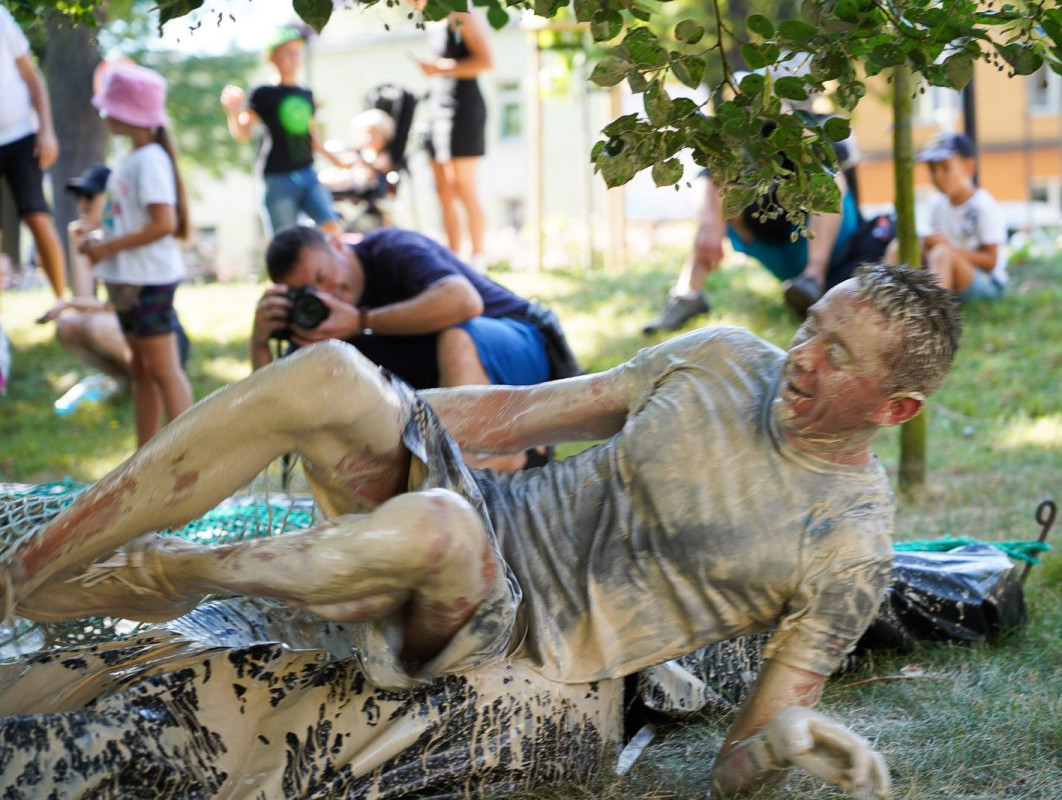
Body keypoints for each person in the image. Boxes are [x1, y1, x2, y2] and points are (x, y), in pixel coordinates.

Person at [0, 263, 960, 798]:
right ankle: (24, 571)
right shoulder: (719, 356)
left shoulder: (849, 547)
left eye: (838, 356)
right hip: (475, 518)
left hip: (529, 637)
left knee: (439, 529)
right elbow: (519, 415)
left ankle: (189, 570)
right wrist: (367, 415)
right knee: (329, 372)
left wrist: (787, 736)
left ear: (896, 408)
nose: (802, 359)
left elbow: (730, 770)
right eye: (811, 328)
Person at [251, 225, 562, 469]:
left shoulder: (391, 248)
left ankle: (478, 465)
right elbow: (283, 410)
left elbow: (464, 301)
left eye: (323, 276)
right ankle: (500, 463)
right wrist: (261, 342)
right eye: (308, 292)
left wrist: (361, 320)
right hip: (443, 403)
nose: (325, 295)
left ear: (337, 244)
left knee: (456, 339)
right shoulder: (314, 319)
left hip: (523, 347)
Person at [77, 63, 194, 446]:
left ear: (130, 113)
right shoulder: (131, 160)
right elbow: (128, 221)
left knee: (163, 369)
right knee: (140, 368)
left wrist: (107, 248)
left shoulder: (151, 160)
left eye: (111, 106)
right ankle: (145, 460)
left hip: (149, 280)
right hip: (125, 279)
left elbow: (164, 223)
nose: (105, 113)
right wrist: (98, 240)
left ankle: (188, 460)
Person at [643, 148, 862, 335]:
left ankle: (814, 278)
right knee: (718, 191)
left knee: (826, 175)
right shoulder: (746, 132)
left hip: (837, 248)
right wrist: (710, 223)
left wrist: (784, 114)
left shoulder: (817, 124)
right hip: (778, 244)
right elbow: (706, 176)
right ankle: (688, 295)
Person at [39, 164, 191, 407]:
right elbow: (84, 299)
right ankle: (126, 381)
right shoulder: (91, 238)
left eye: (90, 195)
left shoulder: (124, 236)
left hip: (160, 334)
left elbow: (117, 305)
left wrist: (70, 302)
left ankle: (148, 383)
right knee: (70, 324)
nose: (83, 203)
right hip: (127, 327)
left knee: (95, 324)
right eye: (79, 197)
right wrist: (79, 247)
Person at [220, 24, 343, 237]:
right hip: (277, 179)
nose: (294, 58)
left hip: (307, 173)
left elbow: (311, 136)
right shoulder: (263, 92)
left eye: (297, 52)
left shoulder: (306, 93)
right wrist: (232, 112)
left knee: (332, 230)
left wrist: (340, 163)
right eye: (287, 53)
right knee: (286, 241)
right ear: (272, 58)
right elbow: (243, 133)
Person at [412, 0, 493, 270]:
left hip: (464, 109)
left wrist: (439, 68)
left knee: (464, 188)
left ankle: (478, 260)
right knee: (444, 191)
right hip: (437, 109)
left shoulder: (461, 13)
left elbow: (486, 61)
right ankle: (453, 259)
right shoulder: (433, 22)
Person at [0, 4, 67, 312]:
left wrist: (47, 131)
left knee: (36, 216)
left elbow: (31, 74)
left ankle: (61, 302)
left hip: (21, 134)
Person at [893, 131, 1007, 301]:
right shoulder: (936, 205)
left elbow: (991, 261)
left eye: (945, 168)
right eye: (932, 169)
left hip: (987, 282)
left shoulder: (983, 206)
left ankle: (935, 316)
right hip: (950, 275)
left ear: (969, 167)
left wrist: (948, 248)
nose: (937, 176)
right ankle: (891, 303)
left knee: (941, 253)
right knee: (899, 246)